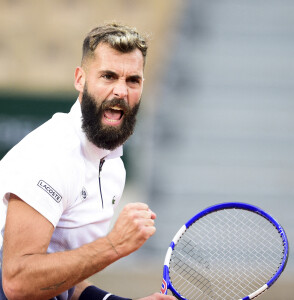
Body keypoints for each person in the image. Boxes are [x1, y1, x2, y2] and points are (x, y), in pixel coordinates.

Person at [0, 23, 175, 300]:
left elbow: (62, 281)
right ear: (80, 79)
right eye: (108, 76)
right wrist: (114, 245)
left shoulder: (113, 166)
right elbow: (17, 283)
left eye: (133, 80)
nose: (121, 91)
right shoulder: (50, 154)